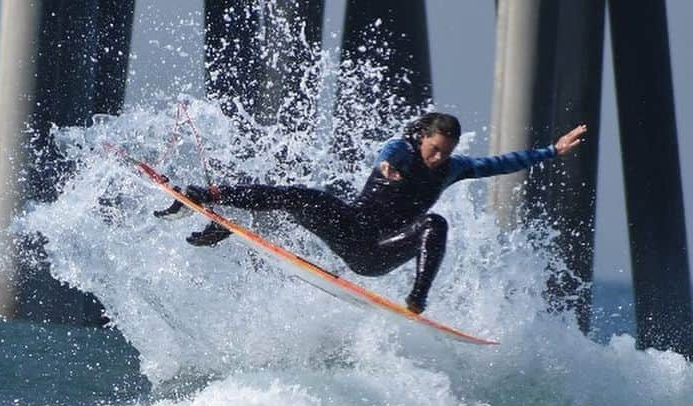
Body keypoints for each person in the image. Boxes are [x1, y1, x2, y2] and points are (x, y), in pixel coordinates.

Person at [155, 113, 588, 313]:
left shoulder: (455, 168)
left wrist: (552, 150)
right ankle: (205, 195)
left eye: (446, 153)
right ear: (422, 139)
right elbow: (388, 153)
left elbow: (500, 163)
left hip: (378, 253)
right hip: (350, 227)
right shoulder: (400, 149)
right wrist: (388, 167)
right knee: (301, 196)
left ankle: (417, 299)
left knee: (435, 224)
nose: (439, 158)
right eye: (435, 149)